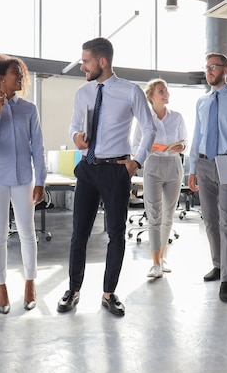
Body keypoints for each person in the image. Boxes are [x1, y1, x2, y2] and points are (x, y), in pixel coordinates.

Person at [56, 37, 156, 317]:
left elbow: (148, 129)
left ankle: (109, 293)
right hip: (88, 168)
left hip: (116, 170)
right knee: (79, 234)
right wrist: (76, 137)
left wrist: (136, 162)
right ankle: (73, 290)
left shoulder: (130, 91)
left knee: (116, 235)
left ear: (102, 62)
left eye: (85, 61)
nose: (81, 67)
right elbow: (74, 126)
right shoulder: (82, 93)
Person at [0, 53, 47, 314]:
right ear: (1, 78)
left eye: (22, 72)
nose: (21, 76)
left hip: (23, 179)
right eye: (16, 72)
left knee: (28, 232)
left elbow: (38, 147)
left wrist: (41, 180)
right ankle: (1, 286)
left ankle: (30, 283)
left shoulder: (30, 109)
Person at [188, 52, 227, 302]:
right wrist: (192, 167)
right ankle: (217, 264)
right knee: (210, 220)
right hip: (204, 164)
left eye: (214, 67)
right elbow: (198, 135)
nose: (209, 71)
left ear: (225, 70)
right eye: (206, 67)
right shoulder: (202, 102)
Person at [132, 78, 188, 279]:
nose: (166, 94)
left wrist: (181, 147)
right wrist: (151, 148)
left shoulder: (177, 117)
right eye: (161, 91)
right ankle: (155, 264)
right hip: (153, 165)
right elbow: (134, 146)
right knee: (154, 215)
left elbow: (184, 142)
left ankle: (162, 258)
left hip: (174, 165)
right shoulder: (144, 119)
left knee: (168, 216)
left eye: (167, 90)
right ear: (151, 96)